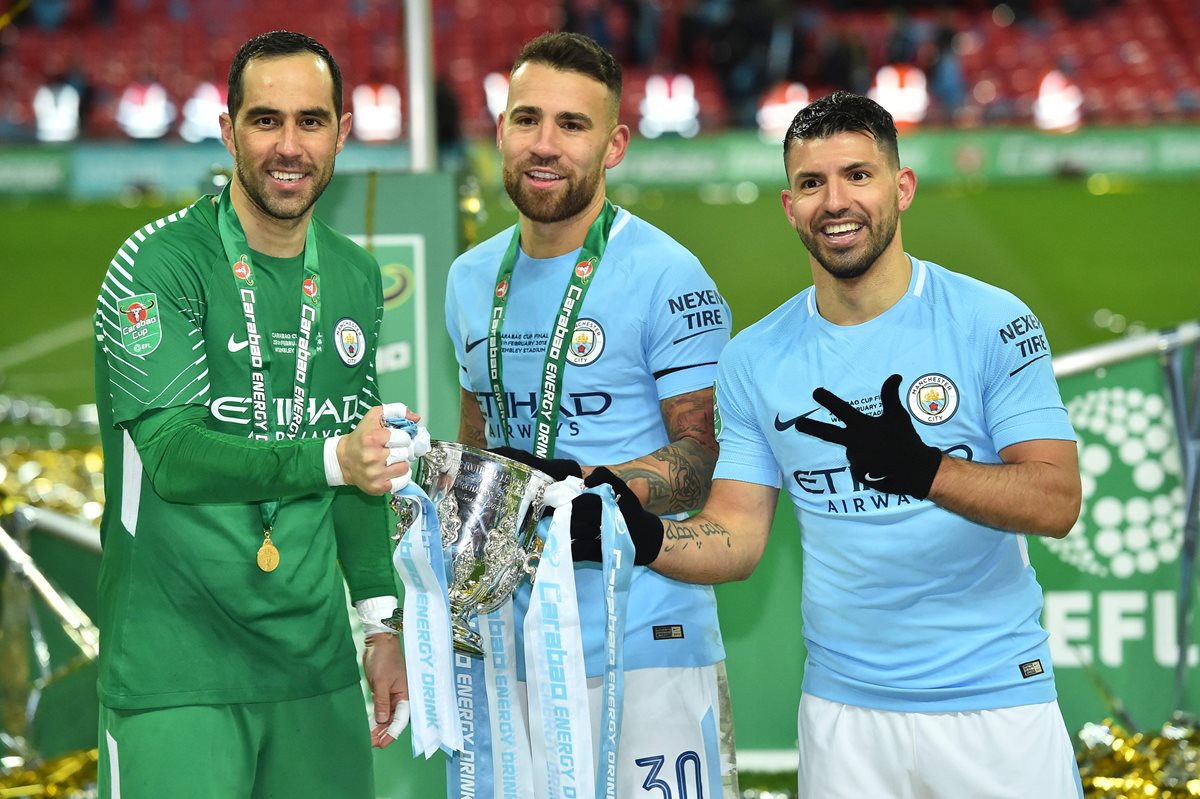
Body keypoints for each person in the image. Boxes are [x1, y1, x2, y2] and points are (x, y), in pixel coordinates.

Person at [579, 91, 1086, 798]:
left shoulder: (991, 322)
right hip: (844, 717)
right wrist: (643, 534)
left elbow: (1058, 498)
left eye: (858, 175)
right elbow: (738, 532)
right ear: (790, 205)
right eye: (813, 183)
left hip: (995, 705)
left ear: (901, 188)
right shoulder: (756, 357)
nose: (835, 201)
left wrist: (925, 469)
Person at [92, 30, 417, 799]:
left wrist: (378, 622)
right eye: (265, 120)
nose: (288, 145)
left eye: (311, 121)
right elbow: (171, 456)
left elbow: (360, 463)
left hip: (314, 667)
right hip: (178, 671)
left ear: (342, 131)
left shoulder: (355, 274)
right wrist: (330, 458)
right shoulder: (157, 263)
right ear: (228, 127)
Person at [444, 31, 737, 797]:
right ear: (500, 128)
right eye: (526, 119)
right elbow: (481, 445)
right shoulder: (471, 279)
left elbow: (702, 460)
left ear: (614, 145)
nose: (545, 144)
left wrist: (584, 486)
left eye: (572, 126)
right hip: (509, 645)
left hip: (643, 639)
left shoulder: (668, 274)